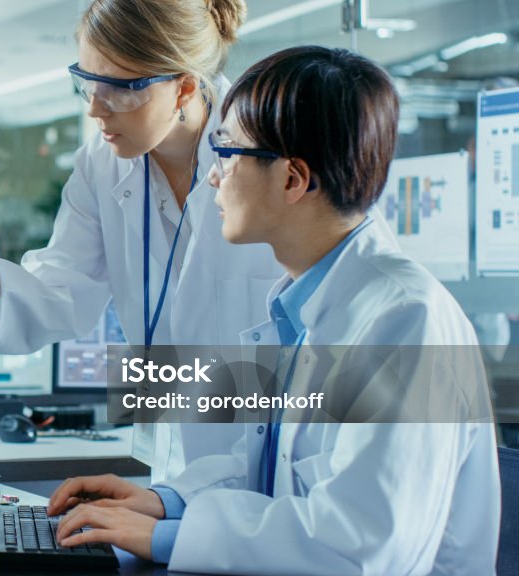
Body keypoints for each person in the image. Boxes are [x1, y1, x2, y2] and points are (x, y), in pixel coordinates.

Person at [49, 46, 500, 573]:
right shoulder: (307, 303)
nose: (213, 178)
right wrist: (166, 503)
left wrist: (167, 538)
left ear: (292, 179)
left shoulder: (405, 322)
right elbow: (274, 466)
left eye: (229, 152)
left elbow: (359, 546)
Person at [0, 0, 285, 481]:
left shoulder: (270, 148)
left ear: (185, 87)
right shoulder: (101, 164)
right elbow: (65, 291)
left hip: (276, 443)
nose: (94, 108)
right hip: (177, 457)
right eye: (87, 82)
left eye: (119, 89)